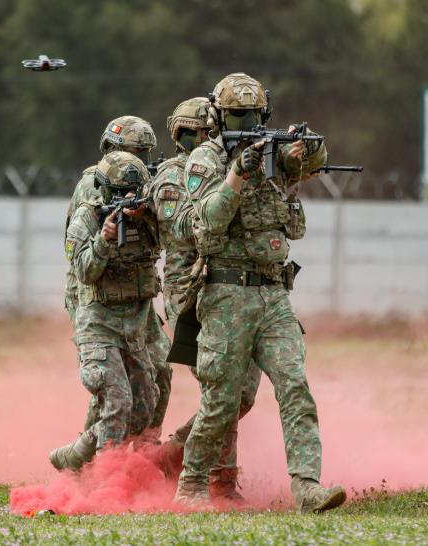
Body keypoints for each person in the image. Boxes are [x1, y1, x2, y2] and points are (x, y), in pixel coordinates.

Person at [173, 73, 345, 513]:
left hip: (274, 294)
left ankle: (307, 486)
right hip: (226, 295)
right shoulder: (205, 161)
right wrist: (238, 174)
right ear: (219, 115)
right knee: (221, 401)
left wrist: (304, 146)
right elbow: (206, 223)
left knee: (295, 386)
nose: (245, 122)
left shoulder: (272, 154)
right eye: (236, 116)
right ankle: (191, 483)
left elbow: (313, 162)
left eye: (252, 115)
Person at [147, 97, 262, 503]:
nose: (209, 139)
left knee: (240, 392)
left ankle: (176, 452)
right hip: (189, 292)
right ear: (184, 134)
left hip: (226, 287)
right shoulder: (172, 177)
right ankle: (219, 482)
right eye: (202, 133)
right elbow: (184, 228)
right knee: (223, 388)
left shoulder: (220, 168)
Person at [50, 150, 163, 470]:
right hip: (98, 324)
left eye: (132, 193)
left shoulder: (148, 217)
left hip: (134, 326)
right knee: (118, 403)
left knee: (144, 406)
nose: (125, 200)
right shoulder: (87, 218)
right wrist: (104, 240)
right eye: (118, 194)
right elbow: (84, 271)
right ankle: (105, 477)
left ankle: (75, 454)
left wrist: (146, 217)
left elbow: (172, 239)